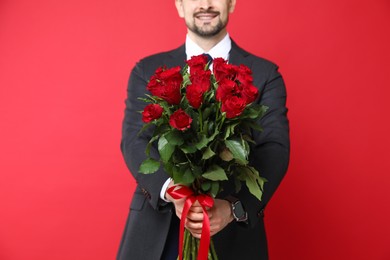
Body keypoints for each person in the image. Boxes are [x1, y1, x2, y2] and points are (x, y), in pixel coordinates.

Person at [117, 0, 290, 259]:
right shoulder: (148, 70)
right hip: (156, 233)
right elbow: (134, 141)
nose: (206, 4)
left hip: (233, 236)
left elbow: (274, 149)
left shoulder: (265, 75)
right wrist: (175, 192)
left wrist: (233, 208)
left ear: (231, 4)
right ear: (179, 5)